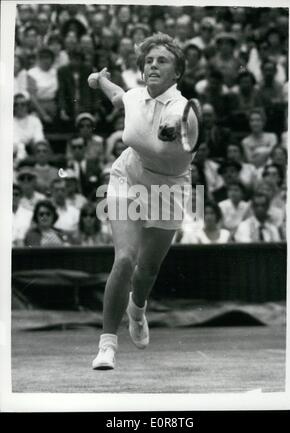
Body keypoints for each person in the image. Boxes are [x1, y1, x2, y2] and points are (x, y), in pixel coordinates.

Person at [89, 33, 198, 370]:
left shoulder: (184, 109)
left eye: (162, 60)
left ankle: (137, 310)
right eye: (149, 60)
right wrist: (99, 81)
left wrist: (176, 129)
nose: (153, 64)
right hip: (129, 176)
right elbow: (121, 97)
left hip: (169, 190)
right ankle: (107, 345)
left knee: (146, 271)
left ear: (176, 72)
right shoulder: (135, 96)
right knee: (124, 259)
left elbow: (186, 127)